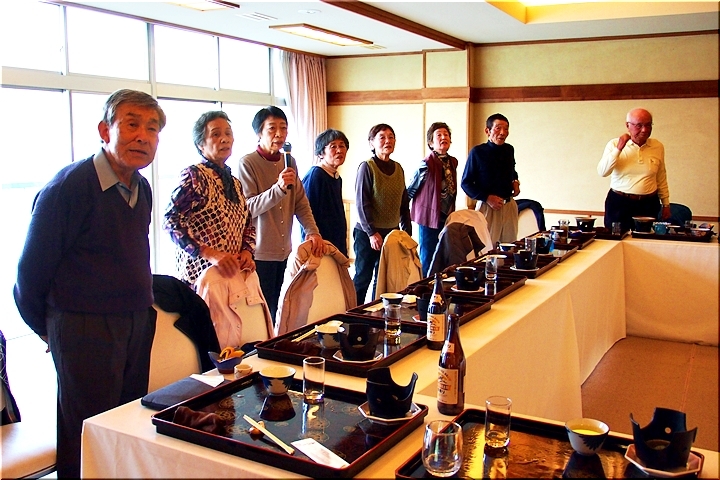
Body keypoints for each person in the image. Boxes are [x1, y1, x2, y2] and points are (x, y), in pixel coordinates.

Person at [13, 89, 166, 478]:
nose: (143, 136)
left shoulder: (142, 188)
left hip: (134, 322)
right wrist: (53, 332)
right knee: (85, 434)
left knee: (125, 427)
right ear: (104, 130)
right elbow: (29, 276)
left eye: (152, 128)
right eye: (131, 124)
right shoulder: (69, 187)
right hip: (84, 328)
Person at [236, 106, 323, 323]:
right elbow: (248, 208)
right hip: (259, 253)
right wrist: (278, 189)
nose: (279, 134)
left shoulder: (289, 161)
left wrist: (312, 231)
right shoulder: (247, 163)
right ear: (259, 133)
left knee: (282, 306)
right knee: (262, 312)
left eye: (283, 128)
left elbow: (300, 202)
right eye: (272, 128)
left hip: (285, 251)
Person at [164, 111, 255, 286]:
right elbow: (170, 222)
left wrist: (247, 252)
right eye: (216, 134)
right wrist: (208, 253)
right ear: (200, 144)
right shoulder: (194, 176)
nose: (224, 139)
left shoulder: (235, 183)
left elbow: (248, 225)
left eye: (228, 133)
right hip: (198, 279)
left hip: (228, 279)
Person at [353, 123, 412, 304]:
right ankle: (353, 313)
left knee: (384, 279)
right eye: (382, 137)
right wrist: (372, 232)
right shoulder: (367, 167)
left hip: (391, 234)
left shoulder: (399, 168)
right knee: (363, 277)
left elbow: (403, 203)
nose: (388, 141)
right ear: (372, 143)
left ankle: (378, 312)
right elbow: (362, 203)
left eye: (391, 137)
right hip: (367, 234)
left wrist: (407, 233)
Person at [597, 108, 670, 232]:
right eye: (639, 125)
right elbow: (603, 172)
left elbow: (661, 176)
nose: (644, 130)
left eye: (648, 125)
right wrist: (619, 148)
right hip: (619, 202)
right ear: (627, 126)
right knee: (616, 240)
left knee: (646, 240)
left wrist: (666, 203)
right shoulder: (614, 144)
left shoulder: (657, 146)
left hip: (648, 204)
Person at [461, 113, 520, 246]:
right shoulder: (477, 152)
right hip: (487, 206)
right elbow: (466, 183)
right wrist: (487, 198)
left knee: (510, 246)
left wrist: (515, 182)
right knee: (486, 247)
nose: (502, 133)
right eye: (498, 128)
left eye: (506, 129)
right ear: (487, 131)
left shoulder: (509, 150)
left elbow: (512, 171)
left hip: (509, 205)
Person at [407, 122, 458, 276]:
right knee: (428, 255)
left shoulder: (452, 162)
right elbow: (411, 189)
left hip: (446, 214)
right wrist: (403, 212)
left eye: (446, 135)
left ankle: (441, 284)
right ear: (431, 142)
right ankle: (426, 286)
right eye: (439, 135)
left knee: (445, 253)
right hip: (428, 216)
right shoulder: (426, 163)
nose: (443, 138)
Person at [301, 129, 350, 257]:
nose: (339, 151)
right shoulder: (316, 175)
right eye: (333, 146)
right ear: (321, 153)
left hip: (334, 244)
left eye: (342, 146)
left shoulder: (336, 177)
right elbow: (306, 213)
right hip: (319, 247)